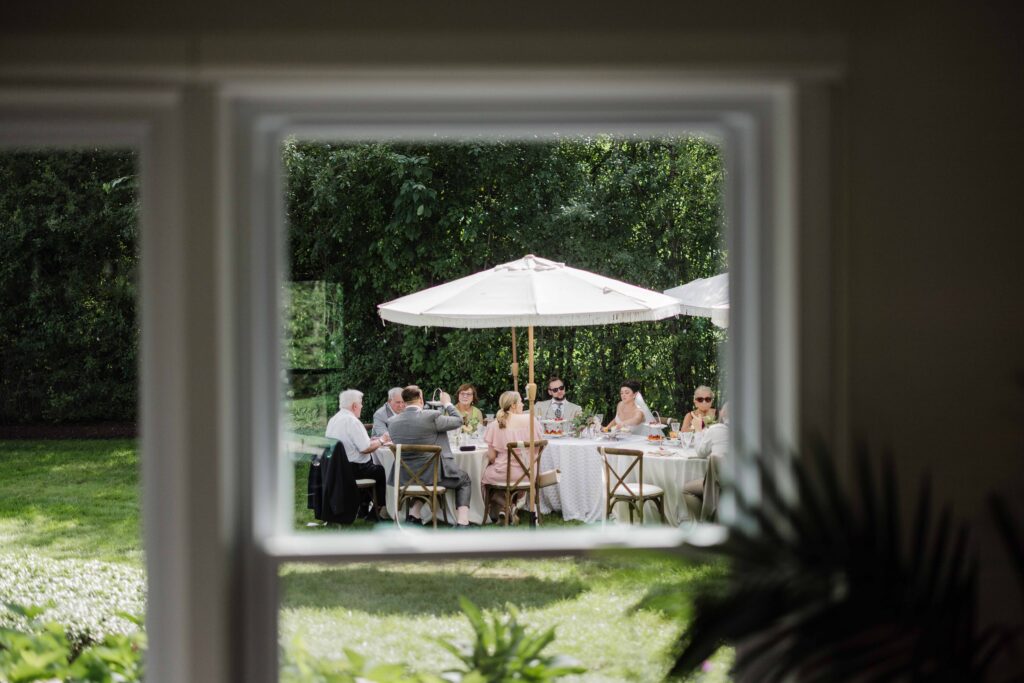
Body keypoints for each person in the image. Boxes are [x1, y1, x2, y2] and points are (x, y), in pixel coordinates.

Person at [386, 385, 473, 527]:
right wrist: (447, 403)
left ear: (404, 400)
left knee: (423, 478)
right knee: (464, 479)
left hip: (405, 478)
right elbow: (458, 420)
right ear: (421, 399)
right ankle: (463, 523)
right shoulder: (431, 417)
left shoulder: (392, 422)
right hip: (430, 477)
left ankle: (414, 516)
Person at [325, 389, 390, 522]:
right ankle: (377, 511)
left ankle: (363, 507)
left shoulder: (334, 419)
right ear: (354, 405)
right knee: (381, 471)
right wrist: (382, 440)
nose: (362, 406)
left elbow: (351, 440)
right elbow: (366, 448)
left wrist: (372, 437)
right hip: (353, 470)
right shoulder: (353, 421)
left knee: (371, 467)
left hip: (337, 468)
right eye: (361, 403)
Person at [481, 391, 544, 523]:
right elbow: (538, 446)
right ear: (513, 405)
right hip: (527, 473)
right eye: (520, 402)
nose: (523, 404)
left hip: (503, 473)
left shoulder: (495, 424)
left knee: (483, 479)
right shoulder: (531, 420)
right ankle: (510, 507)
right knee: (502, 478)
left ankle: (506, 506)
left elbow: (491, 457)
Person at [683, 402, 729, 522]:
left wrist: (698, 430)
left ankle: (703, 524)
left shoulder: (716, 429)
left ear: (723, 414)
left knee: (687, 489)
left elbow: (701, 453)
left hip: (718, 484)